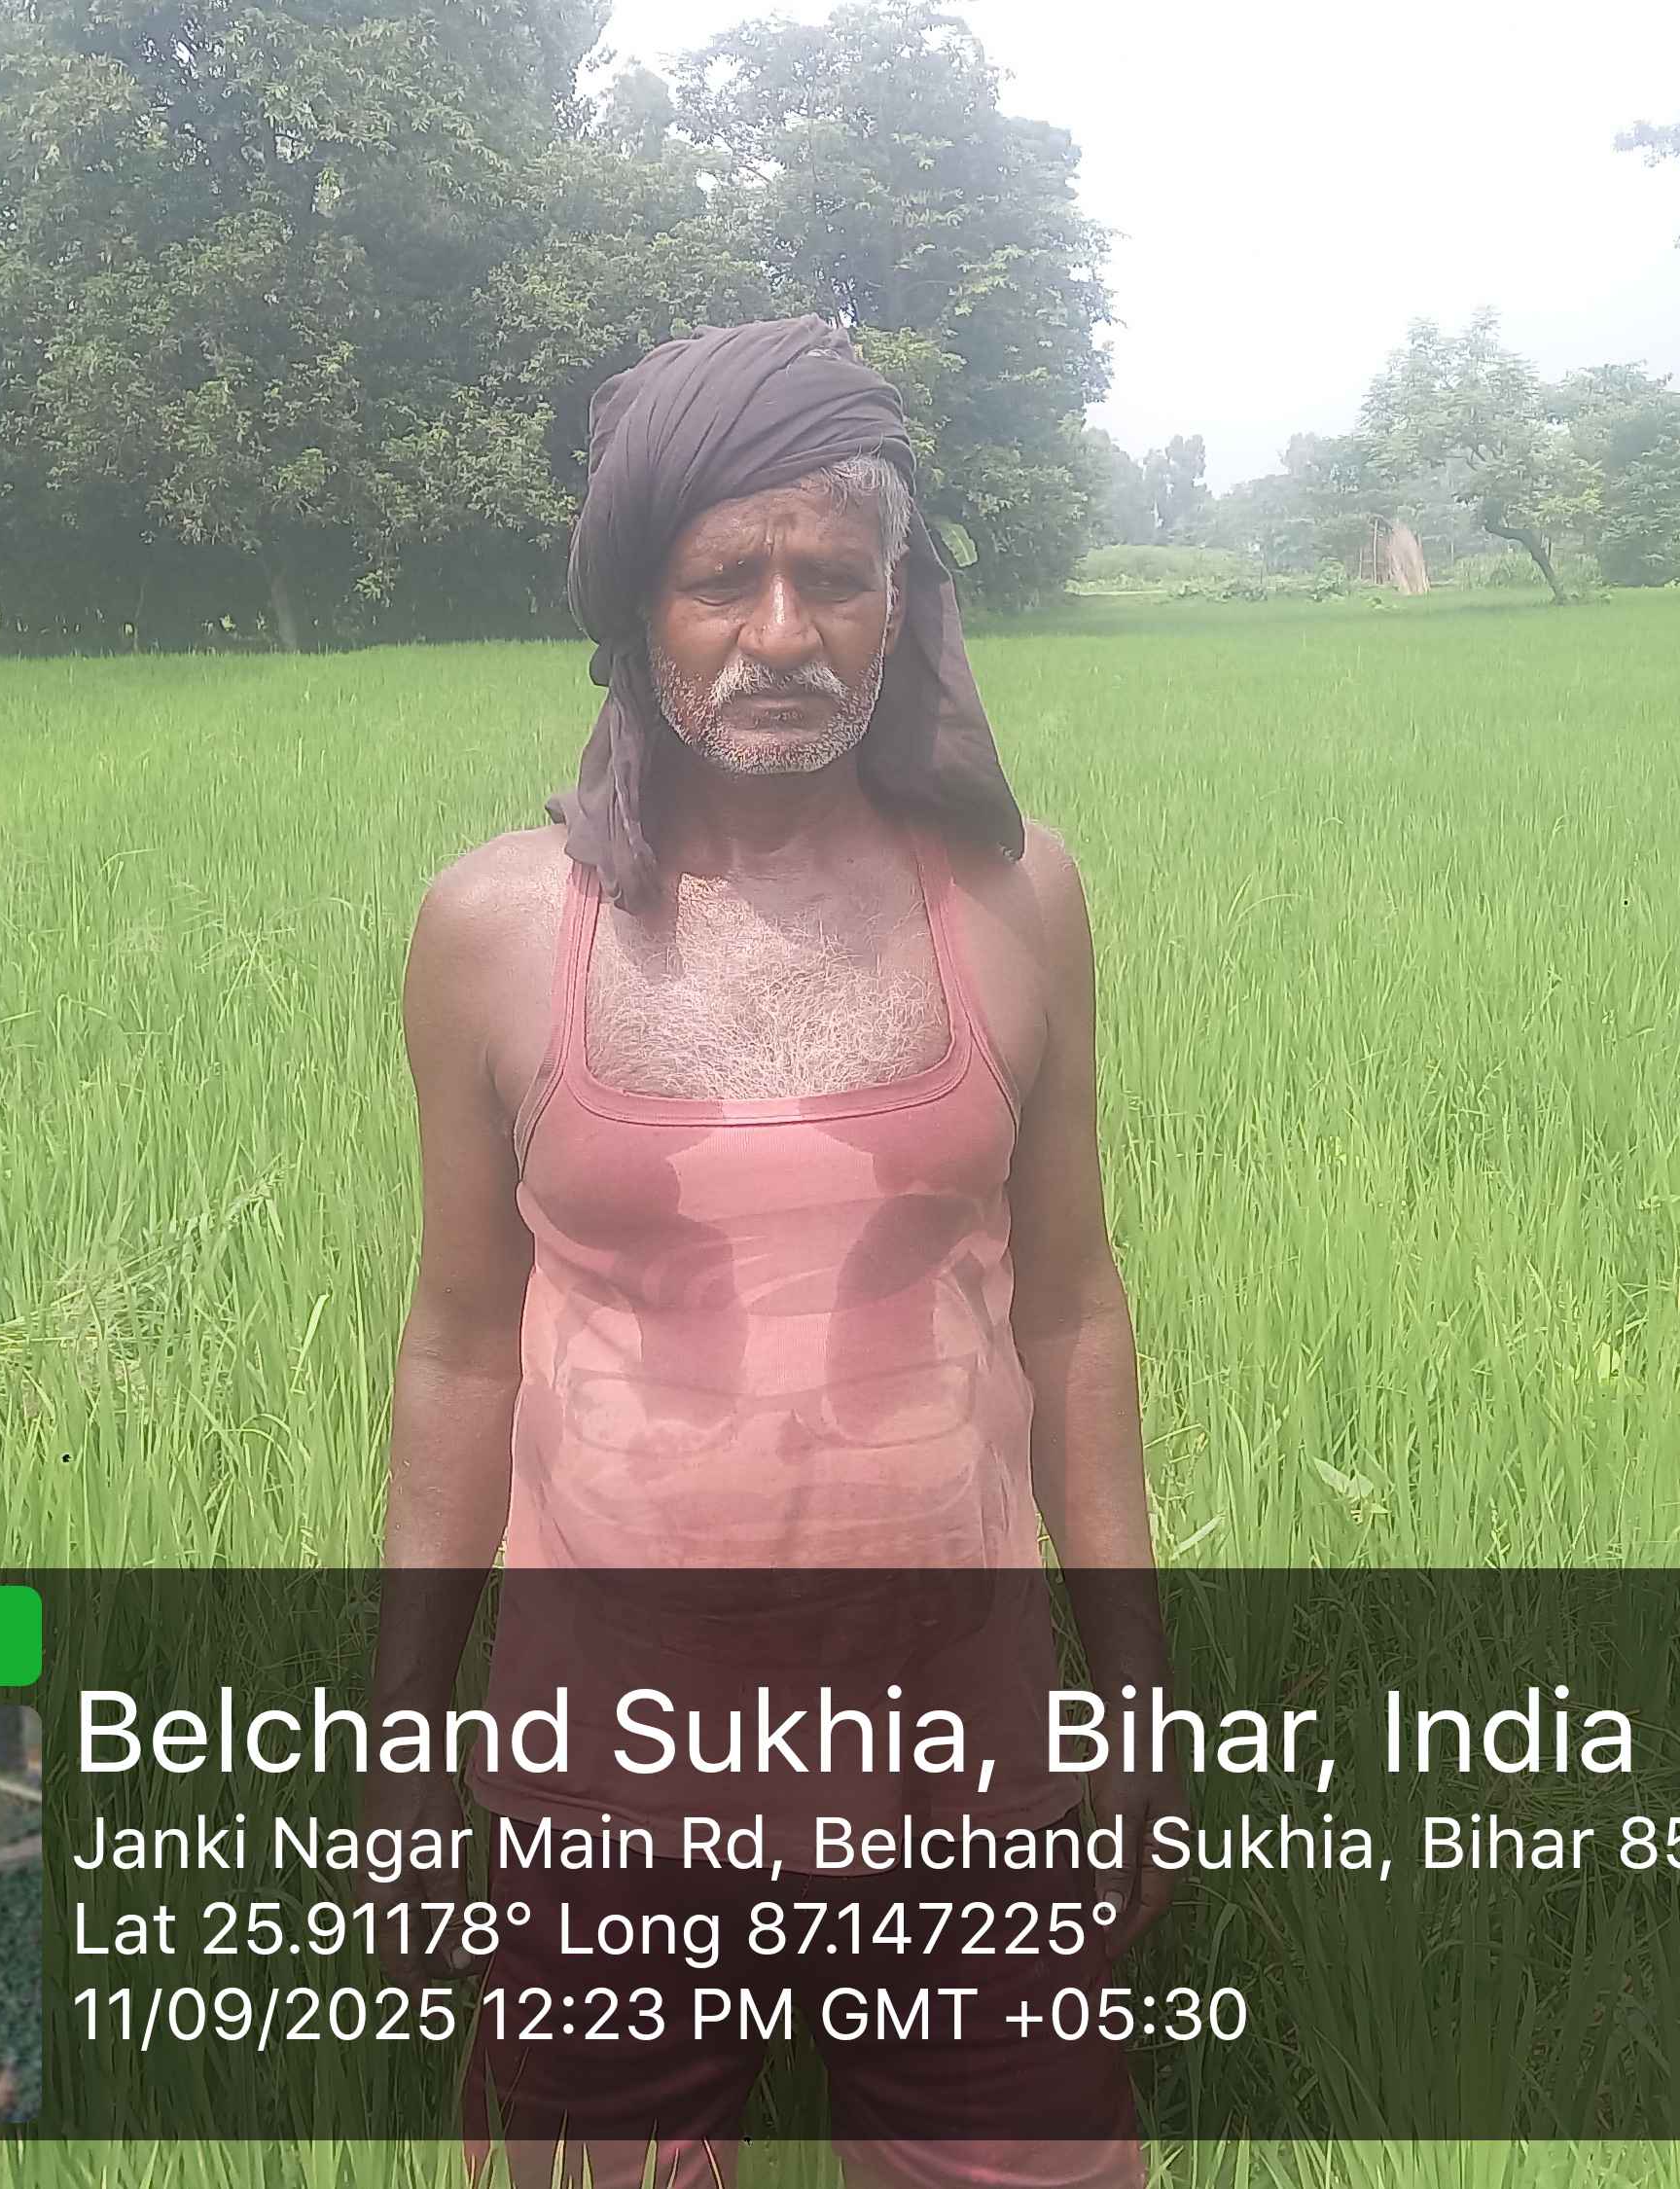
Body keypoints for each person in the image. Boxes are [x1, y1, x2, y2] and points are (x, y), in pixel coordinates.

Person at [370, 316, 1169, 2189]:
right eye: (723, 578)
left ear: (903, 606)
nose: (784, 632)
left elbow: (1072, 1310)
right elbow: (461, 1345)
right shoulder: (496, 928)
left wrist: (1139, 1708)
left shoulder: (1018, 896)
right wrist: (403, 1741)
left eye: (836, 574)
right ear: (639, 611)